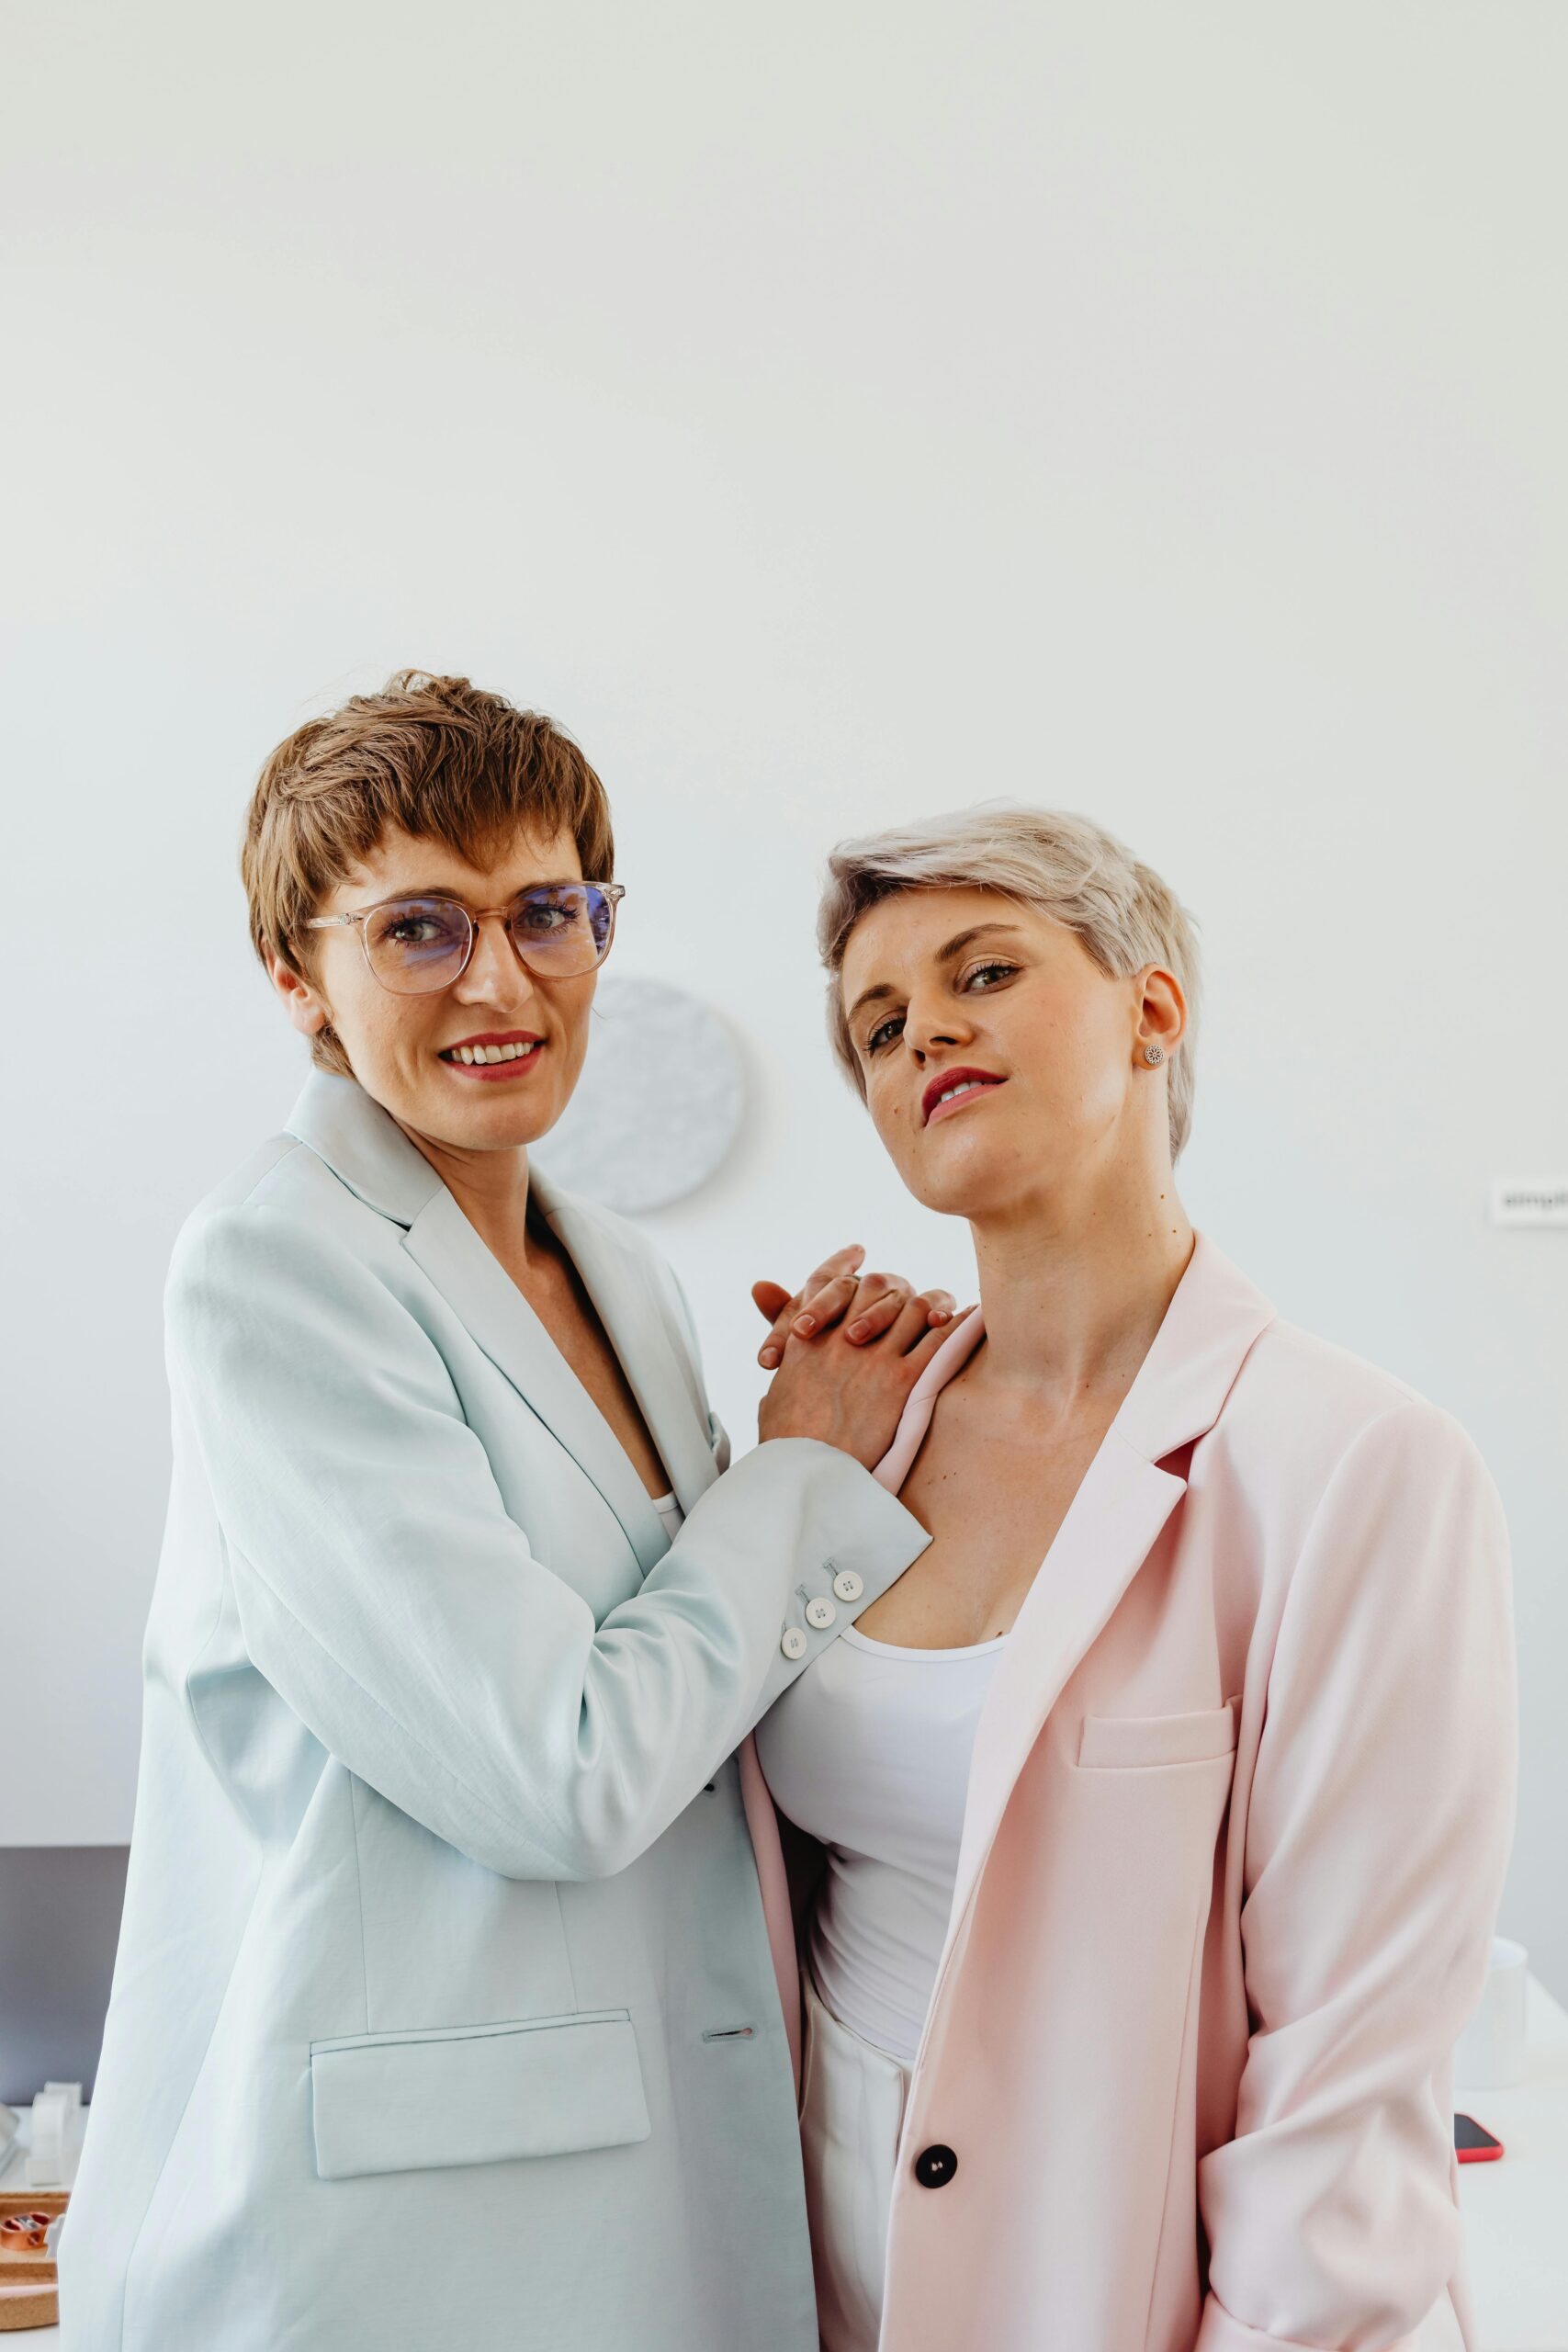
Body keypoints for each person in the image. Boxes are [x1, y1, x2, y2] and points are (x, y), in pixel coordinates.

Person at [62, 672, 959, 2352]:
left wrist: (844, 1431)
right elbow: (562, 1772)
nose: (499, 981)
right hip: (411, 2243)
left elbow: (698, 1691)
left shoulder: (620, 1270)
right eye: (418, 929)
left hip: (662, 2171)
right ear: (295, 978)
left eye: (548, 913)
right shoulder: (278, 1263)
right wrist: (802, 1476)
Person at [750, 804, 1517, 2352]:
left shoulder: (1355, 1463)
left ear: (1152, 1009)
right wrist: (782, 1487)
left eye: (984, 972)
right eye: (880, 1027)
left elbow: (1346, 2087)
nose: (924, 1033)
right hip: (807, 2266)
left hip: (1110, 2292)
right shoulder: (846, 1444)